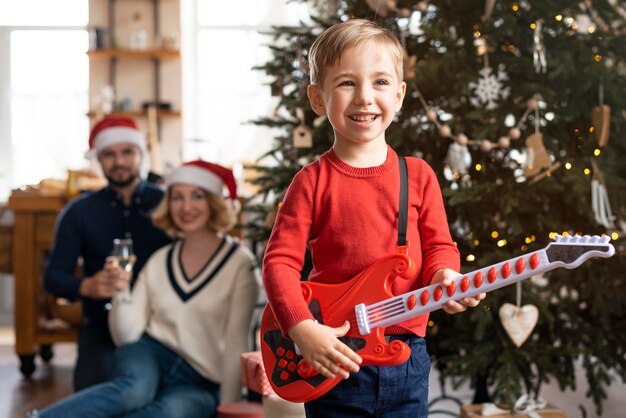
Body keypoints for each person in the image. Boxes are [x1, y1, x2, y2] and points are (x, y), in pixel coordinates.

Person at [262, 19, 485, 418]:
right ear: (317, 98)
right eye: (347, 83)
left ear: (399, 96)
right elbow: (279, 263)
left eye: (380, 82)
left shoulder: (418, 175)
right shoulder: (310, 182)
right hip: (336, 355)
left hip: (406, 357)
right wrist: (301, 328)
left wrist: (445, 278)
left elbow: (439, 247)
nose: (365, 98)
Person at [35, 160, 260, 418]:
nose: (186, 207)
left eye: (197, 196)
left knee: (166, 412)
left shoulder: (240, 264)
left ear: (214, 202)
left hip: (201, 380)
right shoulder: (160, 260)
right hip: (148, 353)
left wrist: (227, 408)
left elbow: (236, 343)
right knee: (134, 390)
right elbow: (126, 336)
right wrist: (121, 290)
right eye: (177, 197)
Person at [44, 115, 171, 391]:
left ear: (141, 154)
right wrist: (86, 286)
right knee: (94, 395)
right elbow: (53, 277)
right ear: (98, 159)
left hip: (162, 325)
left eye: (128, 152)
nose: (120, 162)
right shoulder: (78, 212)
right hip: (100, 327)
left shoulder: (167, 203)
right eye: (109, 154)